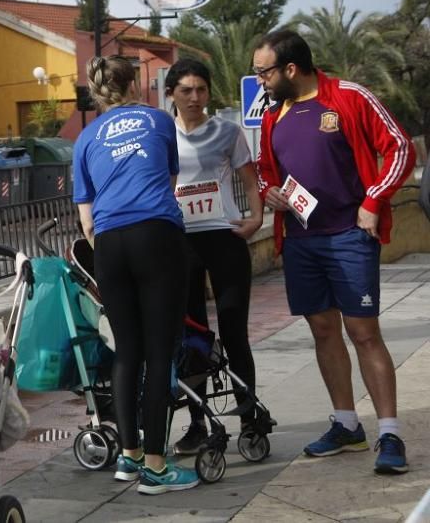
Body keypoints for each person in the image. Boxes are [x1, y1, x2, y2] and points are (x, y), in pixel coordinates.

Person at [254, 30, 415, 474]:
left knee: (364, 333)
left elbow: (400, 147)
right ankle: (346, 425)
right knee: (323, 332)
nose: (259, 80)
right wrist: (270, 193)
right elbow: (268, 172)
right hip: (302, 240)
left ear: (290, 69)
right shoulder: (274, 116)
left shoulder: (348, 96)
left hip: (349, 235)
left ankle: (389, 433)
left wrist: (372, 201)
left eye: (264, 71)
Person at [72, 55, 198, 494]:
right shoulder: (159, 121)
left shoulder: (85, 139)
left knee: (126, 352)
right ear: (135, 86)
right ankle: (158, 467)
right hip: (155, 233)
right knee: (160, 351)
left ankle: (129, 457)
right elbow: (168, 177)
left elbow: (85, 221)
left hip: (108, 243)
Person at [165, 58, 264, 455]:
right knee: (192, 340)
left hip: (223, 238)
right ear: (171, 92)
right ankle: (197, 425)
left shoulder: (226, 131)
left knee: (234, 331)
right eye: (186, 90)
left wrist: (257, 218)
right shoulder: (161, 134)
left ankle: (251, 420)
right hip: (181, 243)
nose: (194, 97)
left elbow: (250, 181)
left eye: (201, 89)